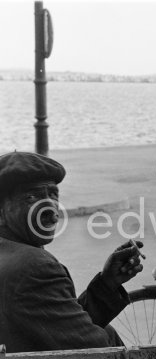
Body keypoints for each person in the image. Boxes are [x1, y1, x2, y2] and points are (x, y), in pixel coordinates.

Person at [0, 151, 144, 353]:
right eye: (31, 197)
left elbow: (57, 323)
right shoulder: (34, 266)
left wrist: (107, 283)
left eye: (53, 194)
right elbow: (94, 350)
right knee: (108, 334)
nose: (50, 208)